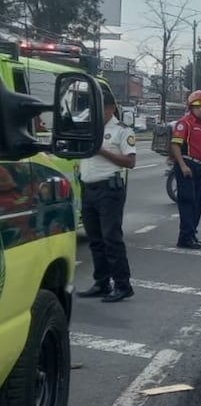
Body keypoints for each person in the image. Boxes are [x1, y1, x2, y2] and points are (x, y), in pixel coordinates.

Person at [76, 90, 136, 303]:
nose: (95, 112)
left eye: (99, 108)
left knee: (111, 238)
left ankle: (122, 284)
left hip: (109, 189)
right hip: (88, 188)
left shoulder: (121, 130)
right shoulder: (89, 128)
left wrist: (102, 151)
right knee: (95, 239)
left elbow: (130, 162)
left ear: (110, 108)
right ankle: (102, 282)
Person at [171, 89, 201, 249]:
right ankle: (185, 237)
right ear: (191, 107)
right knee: (187, 202)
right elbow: (175, 145)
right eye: (198, 107)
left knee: (198, 202)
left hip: (200, 166)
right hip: (187, 164)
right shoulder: (185, 123)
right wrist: (182, 165)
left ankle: (192, 234)